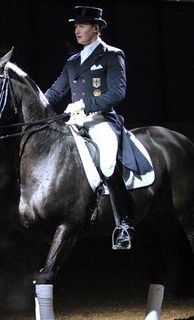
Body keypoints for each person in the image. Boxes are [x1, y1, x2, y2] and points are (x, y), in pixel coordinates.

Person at [44, 5, 134, 250]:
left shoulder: (112, 55)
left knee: (106, 161)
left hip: (102, 120)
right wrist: (36, 105)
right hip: (76, 121)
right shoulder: (73, 62)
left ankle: (124, 223)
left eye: (82, 26)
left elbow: (117, 92)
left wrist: (85, 104)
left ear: (96, 28)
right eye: (75, 26)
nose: (77, 30)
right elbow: (54, 92)